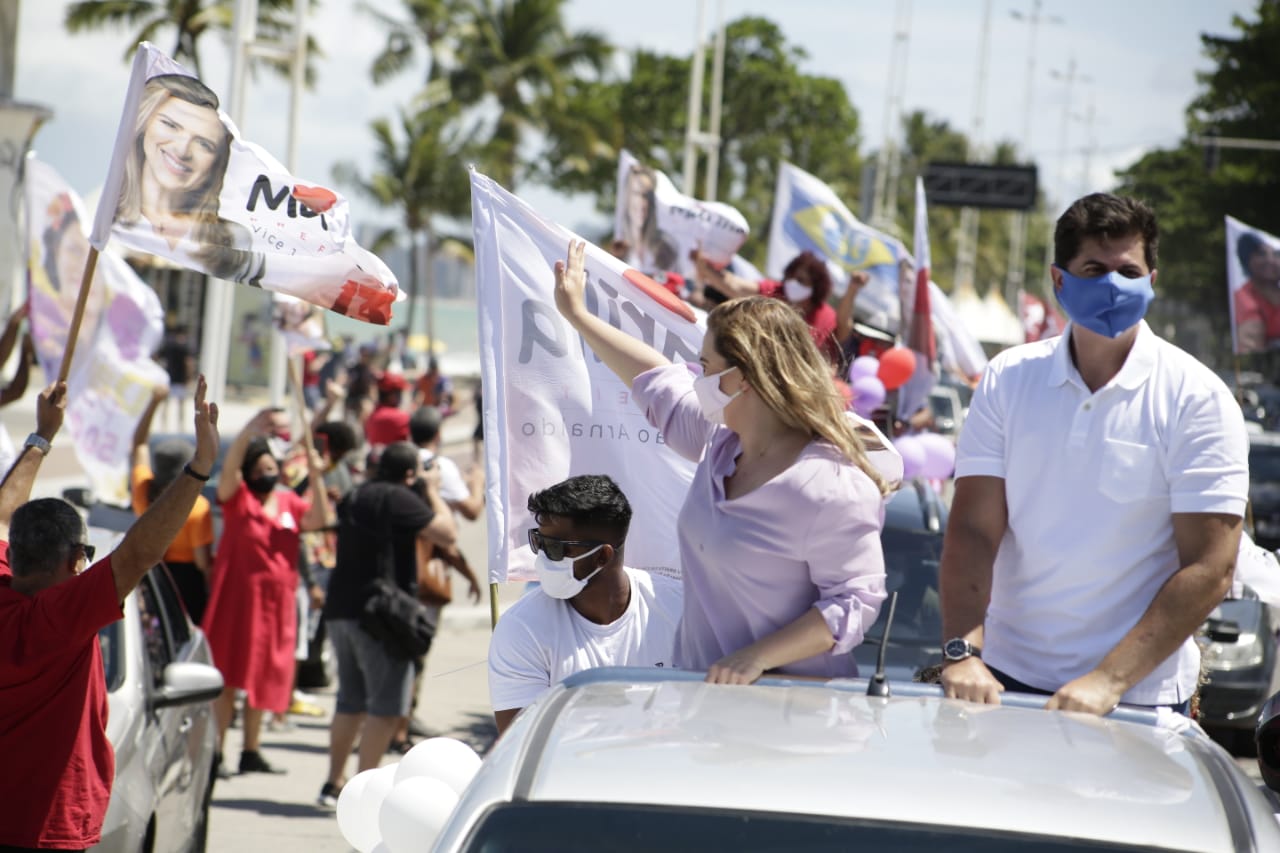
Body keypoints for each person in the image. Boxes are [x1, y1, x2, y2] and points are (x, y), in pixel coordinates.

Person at [939, 193, 1249, 715]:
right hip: (1003, 682)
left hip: (1138, 697)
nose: (1112, 284)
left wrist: (1108, 681)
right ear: (1060, 281)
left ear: (1152, 280)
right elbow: (973, 528)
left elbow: (1210, 567)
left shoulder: (1199, 398)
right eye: (1093, 268)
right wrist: (962, 652)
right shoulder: (1007, 378)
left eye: (1128, 270)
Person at [554, 239, 893, 684]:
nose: (697, 377)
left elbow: (855, 604)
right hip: (704, 701)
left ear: (744, 376)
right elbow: (651, 377)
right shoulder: (720, 442)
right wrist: (577, 315)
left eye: (706, 365)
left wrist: (757, 657)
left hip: (794, 721)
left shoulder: (831, 483)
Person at [0, 377, 218, 851]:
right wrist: (200, 469)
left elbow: (3, 513)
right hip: (40, 831)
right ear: (75, 560)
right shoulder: (60, 618)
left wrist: (42, 436)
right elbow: (137, 553)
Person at [318, 442, 457, 807]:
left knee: (349, 701)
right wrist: (432, 489)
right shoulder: (400, 498)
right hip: (380, 618)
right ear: (410, 473)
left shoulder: (355, 495)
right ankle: (363, 792)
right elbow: (447, 533)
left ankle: (333, 783)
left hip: (341, 610)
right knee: (386, 707)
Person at [488, 475, 682, 735]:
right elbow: (522, 746)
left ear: (602, 556)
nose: (543, 557)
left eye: (555, 548)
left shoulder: (679, 608)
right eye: (539, 542)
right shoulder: (522, 628)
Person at [202, 408, 330, 775]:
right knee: (228, 679)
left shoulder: (289, 500)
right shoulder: (237, 497)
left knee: (264, 676)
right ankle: (217, 752)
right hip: (238, 601)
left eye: (270, 469)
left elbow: (318, 520)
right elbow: (228, 471)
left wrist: (317, 476)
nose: (265, 475)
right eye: (258, 470)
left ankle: (251, 750)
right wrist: (248, 431)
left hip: (277, 604)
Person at [114, 74, 265, 284]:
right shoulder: (107, 221)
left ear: (217, 161)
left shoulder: (236, 242)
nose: (182, 150)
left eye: (204, 144)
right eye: (170, 125)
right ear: (143, 125)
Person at [131, 385, 215, 624]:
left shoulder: (143, 491)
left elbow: (139, 444)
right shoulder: (198, 507)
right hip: (187, 584)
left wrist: (154, 402)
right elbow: (202, 562)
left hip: (155, 578)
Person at [694, 249, 841, 365]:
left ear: (815, 288)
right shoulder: (775, 291)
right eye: (791, 277)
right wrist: (706, 267)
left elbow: (822, 359)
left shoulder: (826, 317)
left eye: (801, 281)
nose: (793, 283)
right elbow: (735, 285)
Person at [618, 163, 678, 275]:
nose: (642, 203)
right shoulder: (619, 247)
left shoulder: (666, 247)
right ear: (627, 196)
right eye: (636, 193)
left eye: (646, 196)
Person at [1233, 230, 1280, 354]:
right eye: (1261, 254)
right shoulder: (1243, 297)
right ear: (1247, 260)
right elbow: (1251, 347)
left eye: (1276, 254)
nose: (1270, 260)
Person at [157, 323, 196, 431]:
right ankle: (180, 427)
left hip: (169, 378)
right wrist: (189, 377)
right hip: (181, 379)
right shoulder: (185, 347)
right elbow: (189, 363)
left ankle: (163, 427)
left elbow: (159, 358)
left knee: (166, 404)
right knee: (181, 405)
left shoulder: (169, 345)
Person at [364, 371, 410, 452]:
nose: (400, 397)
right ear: (392, 395)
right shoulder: (399, 417)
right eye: (399, 392)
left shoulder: (372, 415)